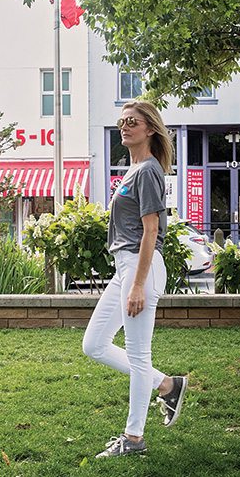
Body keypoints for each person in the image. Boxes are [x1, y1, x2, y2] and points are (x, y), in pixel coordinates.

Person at [83, 100, 188, 458]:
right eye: (122, 121)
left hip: (140, 267)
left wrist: (139, 284)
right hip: (125, 268)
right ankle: (167, 384)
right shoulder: (133, 170)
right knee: (94, 344)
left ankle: (134, 439)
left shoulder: (148, 171)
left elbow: (151, 230)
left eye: (133, 122)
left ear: (150, 129)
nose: (125, 127)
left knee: (139, 356)